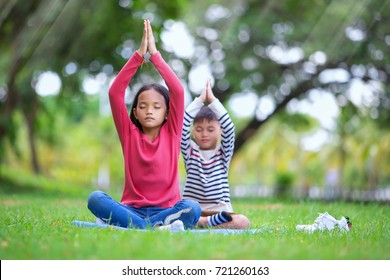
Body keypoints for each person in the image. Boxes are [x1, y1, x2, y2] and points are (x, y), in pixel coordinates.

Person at [87, 19, 201, 230]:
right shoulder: (129, 133)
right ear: (135, 113)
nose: (149, 110)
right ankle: (154, 228)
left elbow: (177, 91)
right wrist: (139, 55)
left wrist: (155, 56)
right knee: (95, 199)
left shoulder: (173, 132)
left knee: (192, 207)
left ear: (167, 113)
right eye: (143, 106)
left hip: (167, 209)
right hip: (132, 209)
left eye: (157, 107)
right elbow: (115, 93)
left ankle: (132, 226)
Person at [181, 79, 250, 229]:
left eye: (211, 129)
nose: (204, 134)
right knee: (172, 214)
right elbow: (182, 125)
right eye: (199, 129)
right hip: (193, 210)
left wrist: (212, 100)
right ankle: (201, 223)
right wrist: (199, 100)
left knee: (243, 222)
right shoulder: (189, 151)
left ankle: (200, 225)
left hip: (220, 212)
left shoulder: (223, 154)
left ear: (220, 131)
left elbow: (230, 128)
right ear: (193, 132)